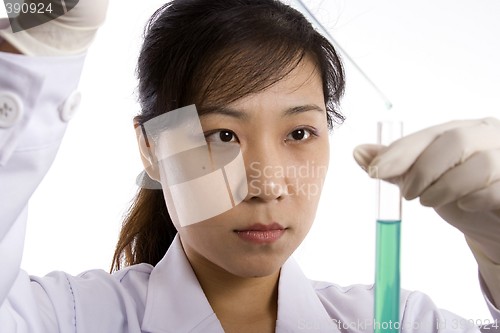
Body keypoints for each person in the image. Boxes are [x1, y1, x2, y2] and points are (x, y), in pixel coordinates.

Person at [1, 0, 499, 332]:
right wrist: (31, 53)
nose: (268, 183)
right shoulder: (65, 318)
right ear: (151, 148)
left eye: (299, 133)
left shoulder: (392, 320)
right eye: (221, 135)